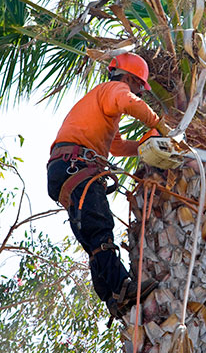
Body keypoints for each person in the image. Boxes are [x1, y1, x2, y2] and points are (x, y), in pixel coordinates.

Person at [47, 52, 162, 319]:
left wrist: (146, 146)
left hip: (64, 168)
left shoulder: (101, 104)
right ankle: (124, 288)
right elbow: (128, 100)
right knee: (100, 229)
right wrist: (159, 125)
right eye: (140, 88)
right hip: (77, 165)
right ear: (131, 79)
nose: (140, 94)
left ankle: (113, 298)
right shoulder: (115, 89)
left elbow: (117, 147)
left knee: (92, 238)